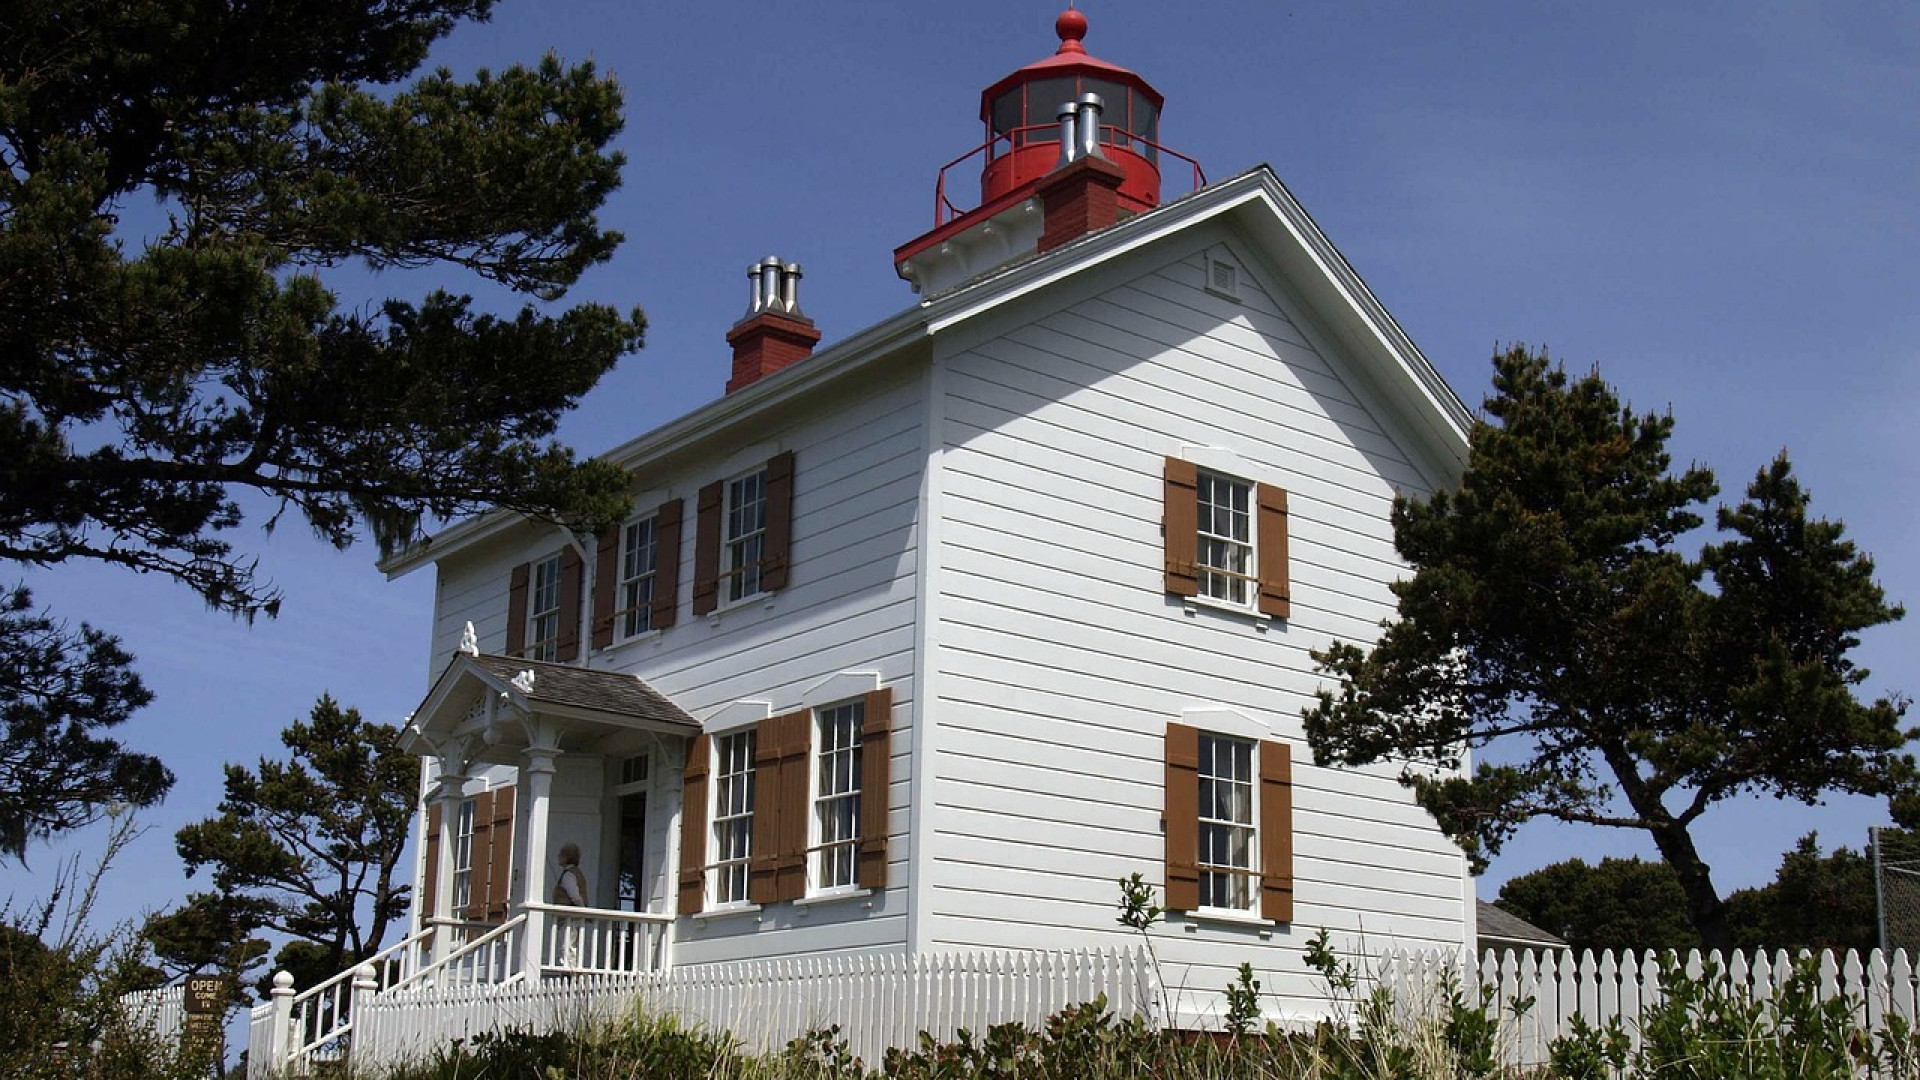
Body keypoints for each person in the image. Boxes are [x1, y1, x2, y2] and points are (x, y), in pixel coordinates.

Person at [553, 843, 588, 968]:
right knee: (570, 945)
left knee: (567, 946)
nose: (558, 857)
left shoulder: (569, 875)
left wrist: (583, 910)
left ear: (567, 857)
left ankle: (568, 973)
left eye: (561, 855)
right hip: (572, 917)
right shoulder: (574, 873)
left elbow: (575, 896)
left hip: (570, 917)